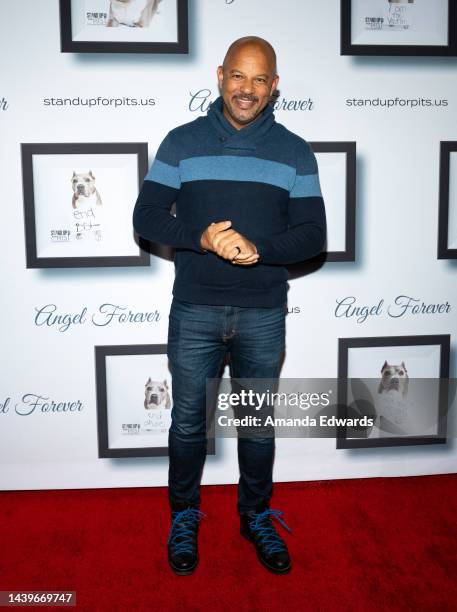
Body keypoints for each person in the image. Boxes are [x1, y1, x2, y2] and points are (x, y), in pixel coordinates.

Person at [132, 35, 326, 576]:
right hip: (194, 307)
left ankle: (255, 515)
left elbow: (314, 234)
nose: (247, 89)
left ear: (274, 86)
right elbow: (146, 217)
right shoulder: (181, 142)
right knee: (189, 423)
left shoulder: (294, 150)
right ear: (219, 76)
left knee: (258, 425)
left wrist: (259, 248)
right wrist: (204, 238)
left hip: (263, 312)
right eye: (238, 76)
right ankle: (184, 515)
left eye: (260, 79)